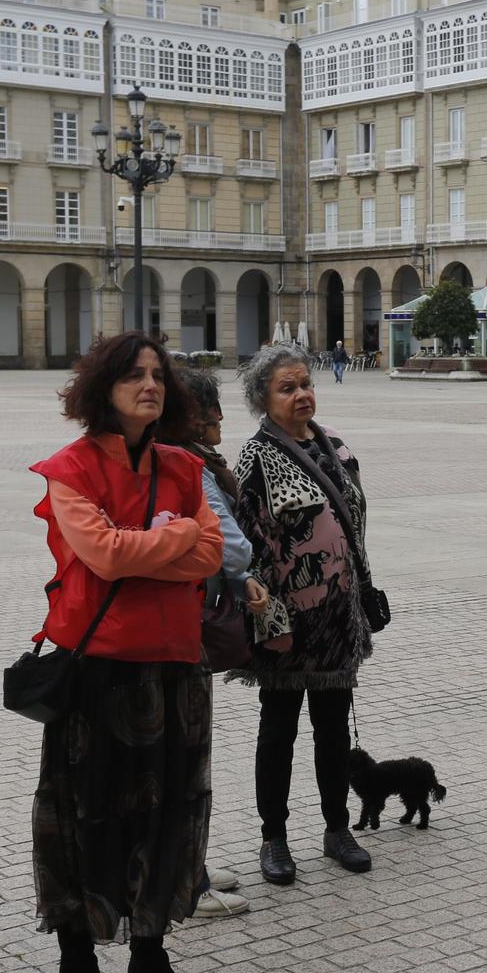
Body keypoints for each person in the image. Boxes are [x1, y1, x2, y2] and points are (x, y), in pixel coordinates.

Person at [29, 331, 224, 973]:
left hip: (174, 663)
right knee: (90, 818)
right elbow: (104, 556)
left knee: (168, 809)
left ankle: (149, 949)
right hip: (100, 668)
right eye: (134, 374)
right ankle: (77, 967)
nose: (150, 385)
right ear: (101, 386)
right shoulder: (71, 467)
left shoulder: (183, 466)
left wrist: (164, 543)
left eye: (158, 375)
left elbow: (211, 553)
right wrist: (175, 540)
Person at [227, 342, 378, 885]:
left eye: (305, 384)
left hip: (338, 618)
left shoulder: (336, 446)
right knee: (279, 729)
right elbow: (244, 545)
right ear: (263, 398)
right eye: (287, 388)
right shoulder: (254, 459)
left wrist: (361, 590)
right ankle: (274, 838)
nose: (302, 395)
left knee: (333, 728)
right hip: (285, 622)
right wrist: (269, 618)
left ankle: (338, 829)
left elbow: (355, 524)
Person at [158, 367, 272, 918]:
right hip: (183, 630)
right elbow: (229, 545)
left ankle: (190, 866)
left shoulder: (179, 460)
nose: (221, 420)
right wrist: (242, 565)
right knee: (182, 757)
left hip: (183, 622)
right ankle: (186, 881)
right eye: (210, 410)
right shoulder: (192, 468)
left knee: (183, 755)